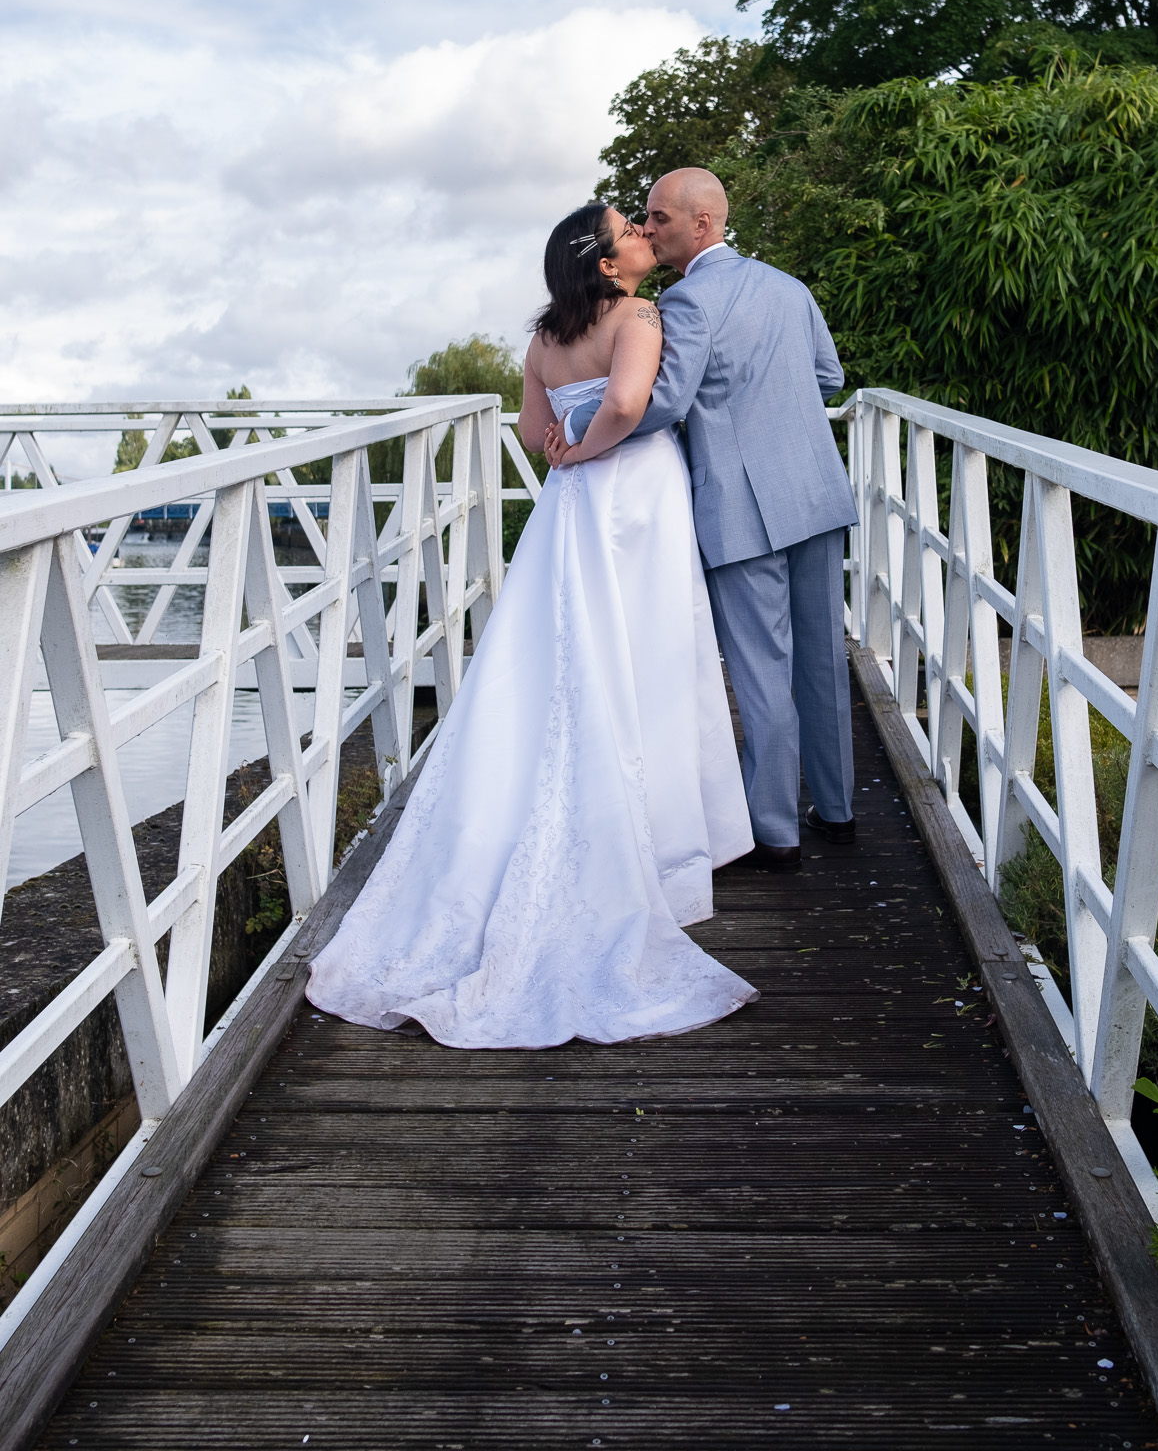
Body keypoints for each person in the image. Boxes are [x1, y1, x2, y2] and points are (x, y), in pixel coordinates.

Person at [306, 201, 756, 1048]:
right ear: (607, 262)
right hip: (634, 496)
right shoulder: (638, 316)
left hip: (571, 507)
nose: (641, 239)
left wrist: (565, 454)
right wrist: (592, 447)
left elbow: (527, 427)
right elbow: (626, 403)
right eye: (629, 231)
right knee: (648, 655)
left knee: (564, 655)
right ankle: (659, 847)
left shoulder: (546, 338)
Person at [547, 167, 857, 872]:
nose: (648, 229)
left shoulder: (685, 302)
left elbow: (661, 401)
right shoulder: (789, 287)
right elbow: (827, 378)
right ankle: (836, 813)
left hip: (740, 504)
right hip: (813, 490)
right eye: (644, 221)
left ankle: (775, 832)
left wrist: (578, 421)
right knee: (819, 661)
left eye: (657, 218)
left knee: (760, 670)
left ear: (702, 225)